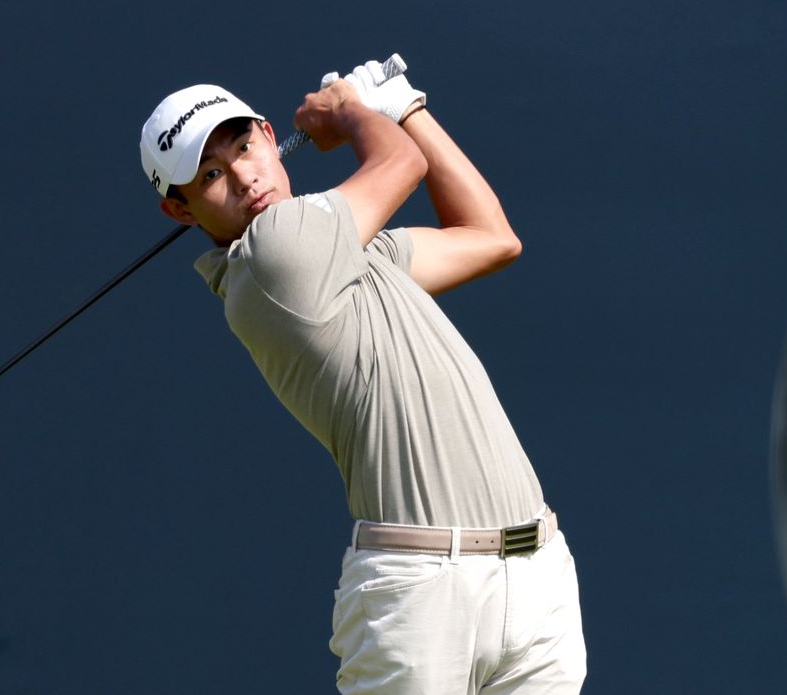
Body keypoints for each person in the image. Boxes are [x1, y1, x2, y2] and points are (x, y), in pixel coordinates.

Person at [139, 59, 586, 694]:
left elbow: (490, 237)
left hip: (534, 570)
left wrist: (406, 109)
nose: (242, 176)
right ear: (179, 211)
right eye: (209, 175)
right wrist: (349, 112)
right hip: (420, 592)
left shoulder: (351, 251)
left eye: (243, 147)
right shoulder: (272, 257)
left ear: (269, 136)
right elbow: (402, 166)